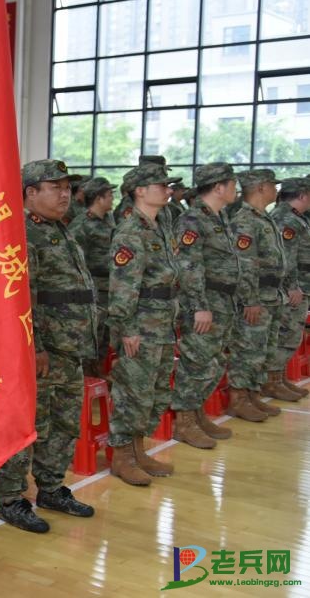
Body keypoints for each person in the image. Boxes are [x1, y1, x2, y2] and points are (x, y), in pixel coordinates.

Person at [0, 160, 96, 534]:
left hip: (69, 348)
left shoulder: (59, 229)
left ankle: (51, 488)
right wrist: (34, 347)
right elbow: (20, 296)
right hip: (42, 352)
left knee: (64, 423)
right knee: (27, 424)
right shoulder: (22, 232)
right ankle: (11, 498)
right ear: (30, 192)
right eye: (56, 187)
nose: (65, 194)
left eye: (67, 187)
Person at [106, 164, 182, 486]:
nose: (168, 190)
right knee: (133, 391)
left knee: (155, 391)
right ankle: (122, 456)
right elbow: (123, 286)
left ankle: (138, 450)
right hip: (141, 325)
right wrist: (127, 329)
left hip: (162, 322)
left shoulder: (160, 225)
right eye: (162, 185)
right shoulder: (130, 232)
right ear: (140, 191)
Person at [170, 163, 251, 438]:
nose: (236, 190)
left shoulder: (220, 216)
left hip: (223, 301)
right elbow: (188, 266)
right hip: (205, 302)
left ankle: (196, 413)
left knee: (214, 362)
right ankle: (184, 421)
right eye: (232, 184)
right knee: (197, 361)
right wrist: (199, 307)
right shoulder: (192, 220)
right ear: (218, 187)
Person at [229, 169, 289, 420]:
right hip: (257, 296)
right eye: (273, 185)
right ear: (261, 187)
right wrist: (250, 300)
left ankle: (252, 394)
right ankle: (238, 398)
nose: (276, 190)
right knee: (248, 349)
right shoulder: (244, 220)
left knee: (264, 349)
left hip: (271, 294)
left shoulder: (264, 217)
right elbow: (244, 264)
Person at [68, 176, 116, 378]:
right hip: (93, 289)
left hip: (109, 288)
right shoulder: (81, 225)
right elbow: (74, 261)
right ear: (98, 198)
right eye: (109, 195)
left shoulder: (109, 221)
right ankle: (87, 376)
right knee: (92, 334)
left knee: (105, 335)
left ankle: (97, 373)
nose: (112, 199)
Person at [270, 177, 310, 401]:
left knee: (291, 335)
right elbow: (286, 257)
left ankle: (279, 377)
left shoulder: (294, 217)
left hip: (301, 284)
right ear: (302, 195)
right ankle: (272, 381)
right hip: (293, 288)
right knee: (286, 334)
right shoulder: (286, 219)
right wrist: (292, 286)